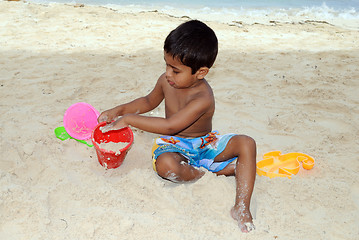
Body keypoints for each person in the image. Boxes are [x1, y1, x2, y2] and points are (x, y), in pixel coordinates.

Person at [98, 20, 256, 233]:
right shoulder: (166, 81)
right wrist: (118, 111)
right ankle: (208, 173)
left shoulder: (203, 97)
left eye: (176, 70)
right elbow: (147, 102)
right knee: (166, 167)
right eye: (166, 65)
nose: (168, 74)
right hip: (174, 146)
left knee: (247, 144)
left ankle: (241, 207)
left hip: (204, 144)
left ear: (200, 73)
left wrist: (128, 120)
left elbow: (170, 126)